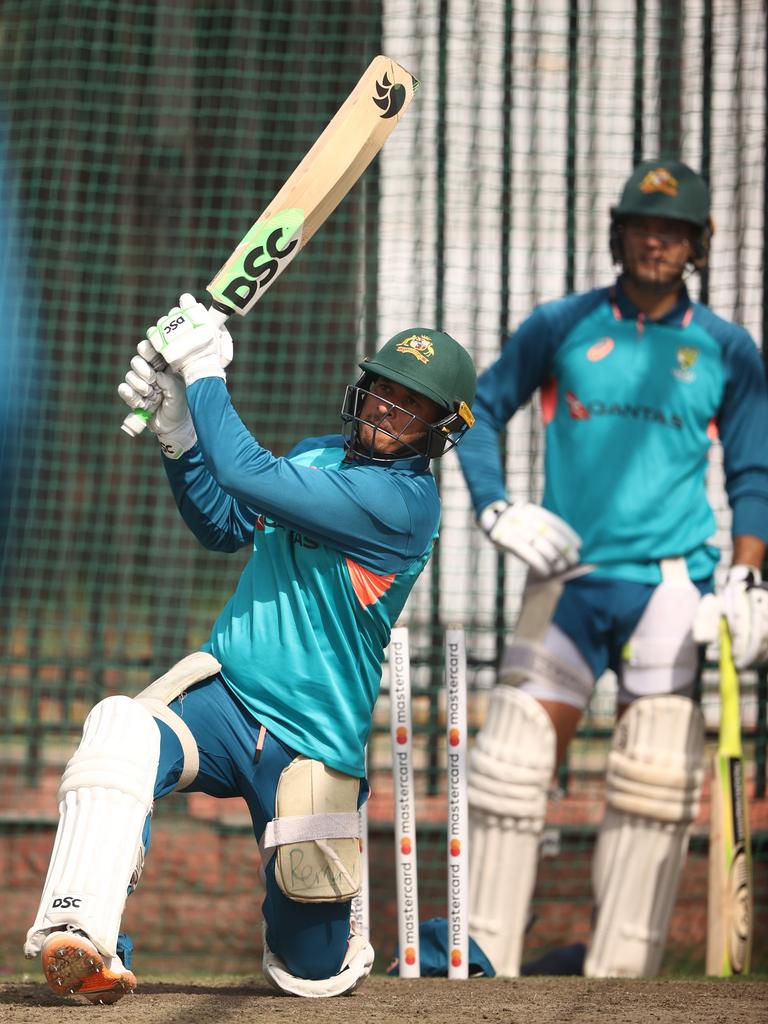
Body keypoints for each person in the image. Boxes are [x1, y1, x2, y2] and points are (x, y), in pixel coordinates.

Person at [23, 296, 476, 1002]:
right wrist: (179, 435)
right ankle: (80, 935)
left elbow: (246, 474)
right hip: (226, 698)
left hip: (312, 743)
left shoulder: (405, 507)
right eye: (385, 389)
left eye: (412, 405)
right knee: (119, 731)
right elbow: (225, 521)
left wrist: (205, 375)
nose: (388, 410)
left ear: (437, 430)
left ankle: (348, 941)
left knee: (309, 977)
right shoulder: (319, 454)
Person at [456, 158, 768, 978]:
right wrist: (497, 508)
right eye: (642, 225)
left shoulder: (727, 350)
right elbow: (477, 411)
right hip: (565, 577)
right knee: (511, 766)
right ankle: (479, 973)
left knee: (659, 776)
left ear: (696, 244)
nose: (655, 241)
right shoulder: (561, 323)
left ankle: (620, 983)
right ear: (618, 232)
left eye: (672, 231)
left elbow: (752, 474)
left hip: (672, 582)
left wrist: (744, 576)